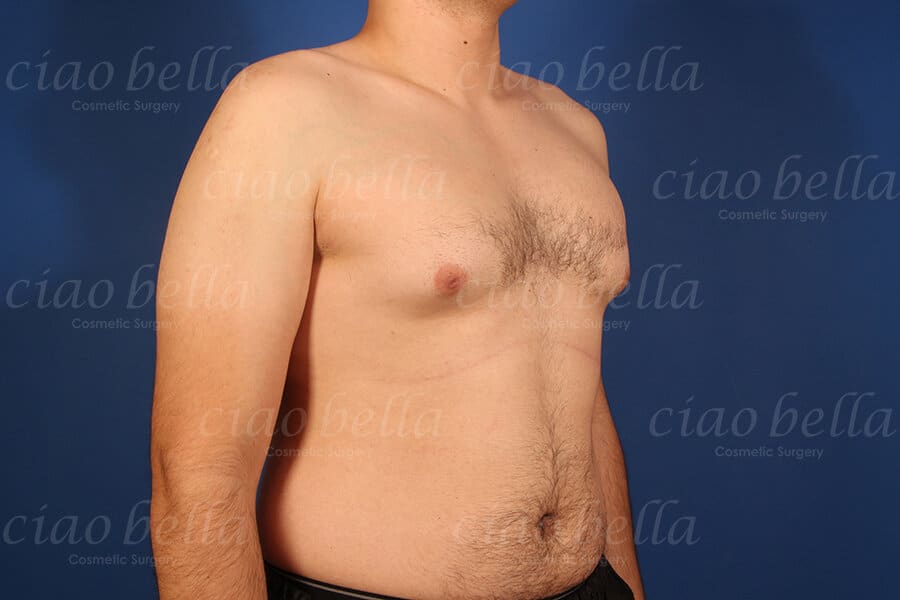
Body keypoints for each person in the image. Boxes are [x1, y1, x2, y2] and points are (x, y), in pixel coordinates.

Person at [150, 1, 644, 599]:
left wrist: (625, 584)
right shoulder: (283, 108)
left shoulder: (574, 127)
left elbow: (577, 394)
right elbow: (200, 474)